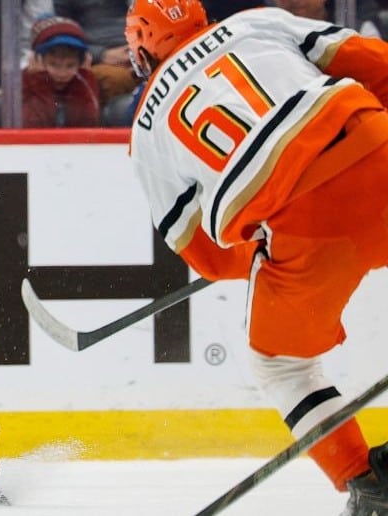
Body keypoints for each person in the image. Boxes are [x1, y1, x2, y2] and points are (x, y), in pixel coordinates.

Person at [124, 1, 388, 513]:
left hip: (311, 229)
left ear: (141, 42)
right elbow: (375, 60)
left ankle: (369, 484)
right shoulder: (253, 21)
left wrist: (261, 244)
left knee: (281, 366)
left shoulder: (146, 130)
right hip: (376, 144)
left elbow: (208, 257)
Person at [55, 0, 136, 126]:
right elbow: (61, 32)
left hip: (136, 47)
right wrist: (100, 54)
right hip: (93, 54)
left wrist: (139, 52)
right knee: (116, 78)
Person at [22, 15, 99, 128]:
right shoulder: (25, 83)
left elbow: (87, 122)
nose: (62, 74)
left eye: (70, 65)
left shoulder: (84, 82)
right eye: (53, 64)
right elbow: (35, 126)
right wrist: (38, 81)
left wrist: (84, 77)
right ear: (36, 59)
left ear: (82, 63)